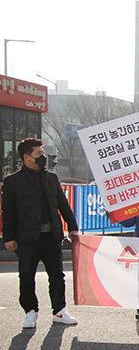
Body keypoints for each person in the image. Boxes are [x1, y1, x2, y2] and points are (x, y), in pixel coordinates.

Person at [1, 138, 79, 328]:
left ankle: (59, 311)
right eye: (39, 154)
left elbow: (63, 205)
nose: (43, 157)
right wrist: (9, 237)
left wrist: (73, 227)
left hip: (52, 237)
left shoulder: (51, 178)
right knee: (26, 275)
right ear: (27, 157)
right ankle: (30, 312)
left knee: (57, 275)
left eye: (43, 153)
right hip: (26, 238)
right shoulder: (13, 182)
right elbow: (8, 212)